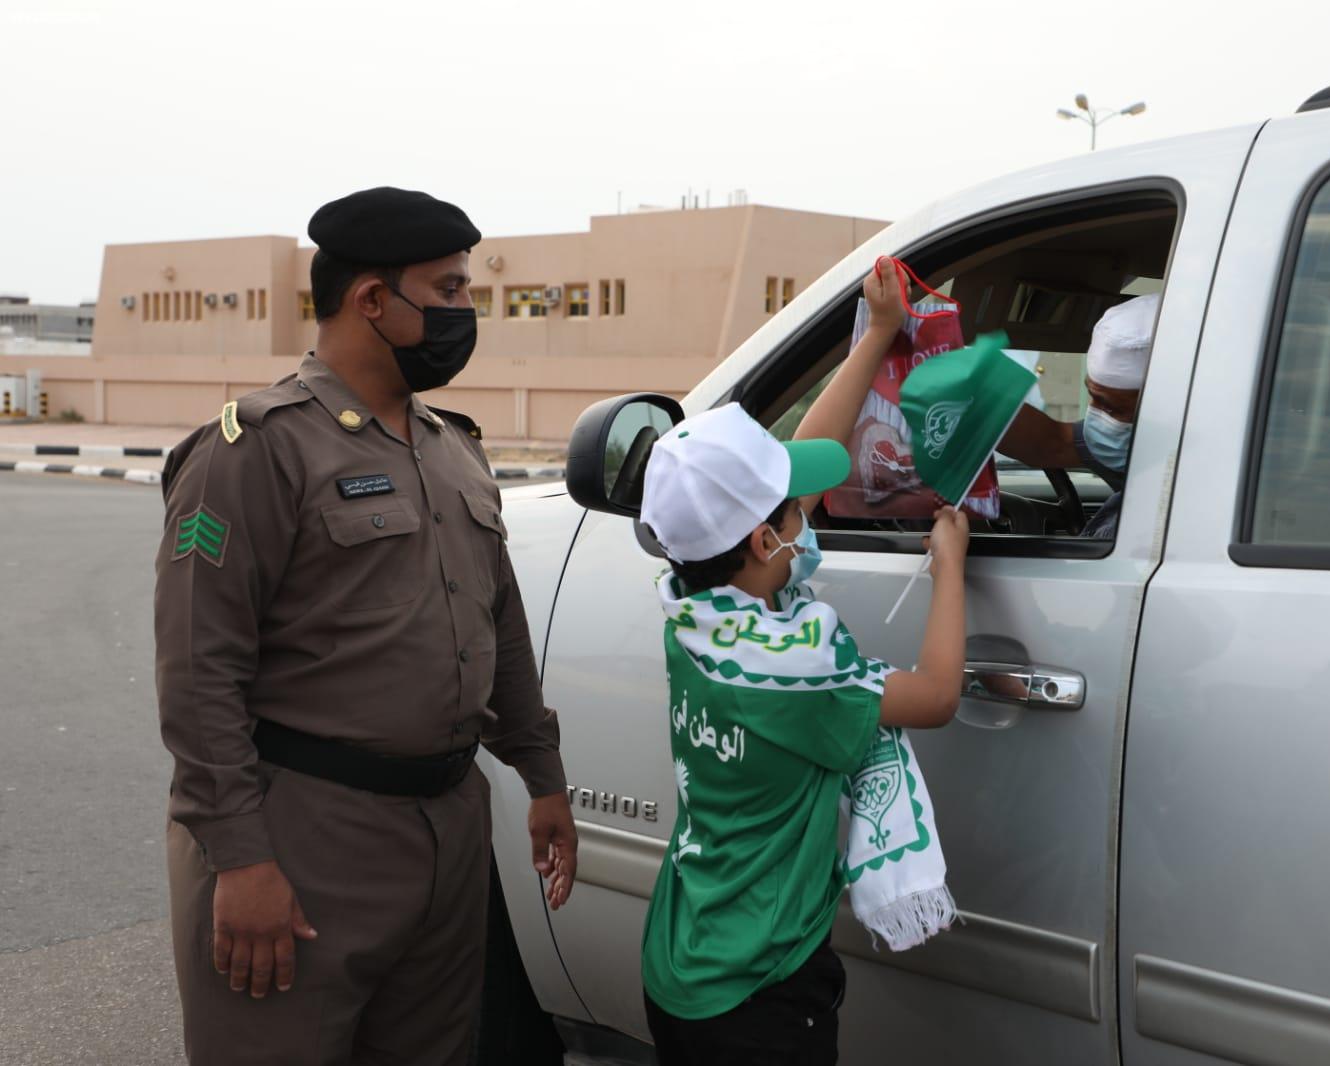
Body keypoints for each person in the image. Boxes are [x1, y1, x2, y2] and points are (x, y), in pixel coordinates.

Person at [154, 186, 577, 1066]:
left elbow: (498, 624)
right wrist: (240, 858)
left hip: (446, 832)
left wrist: (542, 775)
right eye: (451, 291)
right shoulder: (255, 450)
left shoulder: (452, 447)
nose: (467, 312)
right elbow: (199, 672)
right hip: (306, 834)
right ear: (372, 300)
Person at [635, 261, 971, 1065]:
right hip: (760, 993)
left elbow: (796, 470)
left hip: (683, 961)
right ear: (761, 540)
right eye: (793, 510)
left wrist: (880, 332)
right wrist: (952, 567)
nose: (805, 516)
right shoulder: (797, 674)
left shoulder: (695, 611)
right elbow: (932, 697)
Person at [998, 292, 1160, 538]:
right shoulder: (1145, 446)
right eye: (1092, 396)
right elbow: (1052, 443)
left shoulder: (1159, 525)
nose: (1095, 415)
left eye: (1110, 407)